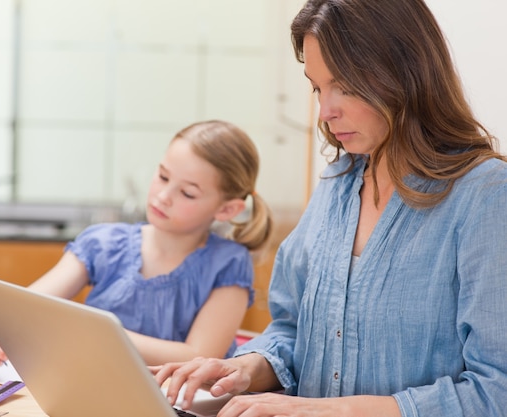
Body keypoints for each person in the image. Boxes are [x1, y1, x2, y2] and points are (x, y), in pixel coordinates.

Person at [153, 1, 507, 416]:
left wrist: (328, 411)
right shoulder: (339, 183)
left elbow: (495, 391)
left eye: (346, 86)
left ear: (407, 73)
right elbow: (291, 330)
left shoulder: (484, 195)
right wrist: (244, 369)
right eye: (317, 87)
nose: (325, 111)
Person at [0, 119, 273, 379]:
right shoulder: (103, 244)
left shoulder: (229, 263)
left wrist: (98, 332)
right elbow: (24, 308)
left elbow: (199, 354)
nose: (163, 196)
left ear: (227, 210)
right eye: (162, 176)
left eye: (187, 193)